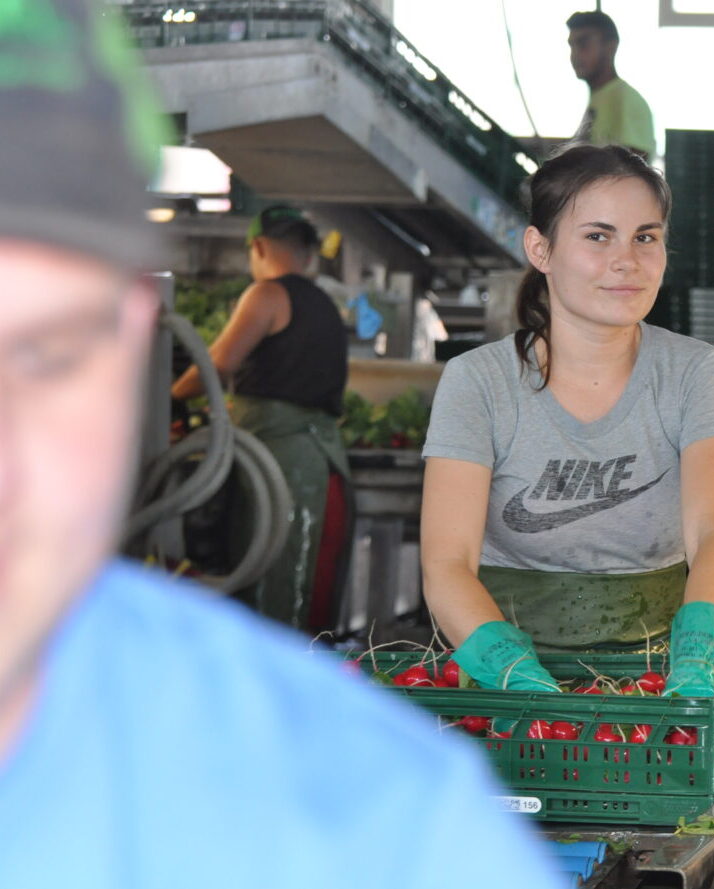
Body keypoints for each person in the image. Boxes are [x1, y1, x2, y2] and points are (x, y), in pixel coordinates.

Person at [0, 3, 563, 886]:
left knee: (281, 597)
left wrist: (180, 405)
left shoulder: (382, 825)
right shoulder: (328, 303)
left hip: (288, 457)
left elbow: (210, 371)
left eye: (49, 354)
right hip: (314, 457)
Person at [420, 144, 714, 697]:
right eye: (598, 236)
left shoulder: (698, 374)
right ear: (540, 249)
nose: (627, 260)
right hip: (495, 683)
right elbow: (446, 564)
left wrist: (695, 661)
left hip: (653, 684)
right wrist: (514, 676)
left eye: (646, 236)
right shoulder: (479, 382)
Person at [172, 205, 350, 631]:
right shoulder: (324, 302)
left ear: (257, 246)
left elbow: (217, 365)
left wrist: (168, 396)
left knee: (273, 596)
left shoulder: (267, 294)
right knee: (303, 602)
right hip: (321, 465)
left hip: (282, 467)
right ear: (308, 252)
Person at [566, 10, 656, 160]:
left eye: (583, 44)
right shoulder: (599, 97)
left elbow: (635, 167)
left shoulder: (626, 100)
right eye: (571, 46)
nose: (574, 55)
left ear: (611, 46)